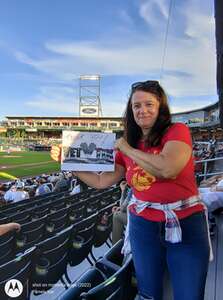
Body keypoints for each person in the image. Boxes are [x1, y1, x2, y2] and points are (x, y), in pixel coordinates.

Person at [51, 80, 210, 300]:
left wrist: (127, 148)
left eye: (149, 104)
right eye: (137, 106)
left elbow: (168, 168)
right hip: (143, 226)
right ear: (131, 110)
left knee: (189, 295)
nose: (142, 110)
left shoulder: (176, 130)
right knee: (148, 293)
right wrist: (69, 163)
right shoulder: (129, 142)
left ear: (160, 107)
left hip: (185, 224)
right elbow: (101, 181)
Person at [112, 180, 132, 244]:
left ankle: (115, 251)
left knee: (116, 215)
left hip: (141, 219)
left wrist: (123, 191)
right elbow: (122, 207)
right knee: (118, 212)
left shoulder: (135, 187)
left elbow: (122, 207)